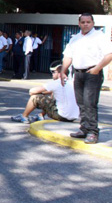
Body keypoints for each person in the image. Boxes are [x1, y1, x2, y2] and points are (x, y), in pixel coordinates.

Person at [61, 13, 112, 144]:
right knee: (81, 103)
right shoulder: (75, 38)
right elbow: (68, 56)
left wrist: (97, 69)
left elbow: (109, 55)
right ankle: (84, 128)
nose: (85, 24)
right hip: (78, 73)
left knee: (90, 103)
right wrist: (63, 71)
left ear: (93, 23)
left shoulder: (99, 37)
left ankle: (93, 132)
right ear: (79, 24)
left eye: (88, 22)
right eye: (83, 22)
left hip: (93, 73)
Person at [11, 62, 79, 123]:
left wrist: (41, 93)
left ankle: (24, 116)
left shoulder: (57, 83)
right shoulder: (72, 83)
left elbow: (32, 91)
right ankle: (40, 115)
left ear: (59, 74)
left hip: (61, 116)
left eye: (53, 72)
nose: (52, 74)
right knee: (52, 97)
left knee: (35, 97)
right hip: (72, 117)